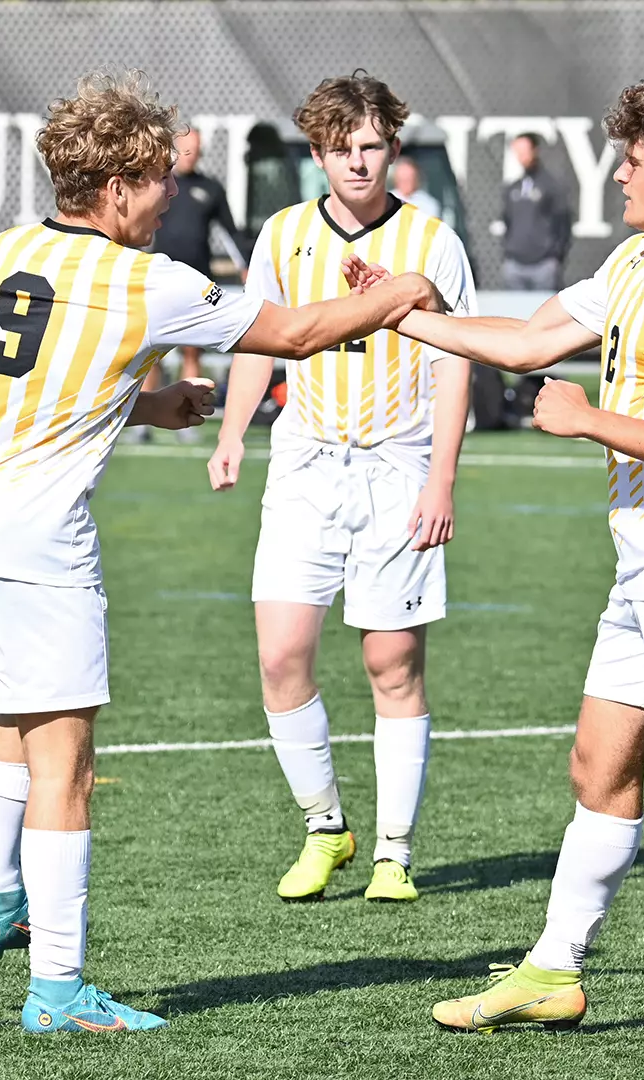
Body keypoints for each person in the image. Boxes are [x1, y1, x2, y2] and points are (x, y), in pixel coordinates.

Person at [0, 71, 442, 1035]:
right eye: (157, 179)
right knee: (65, 761)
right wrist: (405, 290)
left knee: (15, 710)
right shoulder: (148, 281)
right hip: (34, 542)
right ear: (115, 190)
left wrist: (148, 403)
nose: (169, 196)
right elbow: (298, 331)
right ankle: (59, 988)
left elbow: (6, 382)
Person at [351, 75, 644, 1052]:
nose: (619, 172)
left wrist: (584, 420)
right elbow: (528, 343)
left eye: (636, 159)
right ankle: (554, 972)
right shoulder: (639, 259)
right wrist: (399, 318)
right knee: (597, 766)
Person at [206, 72, 475, 905]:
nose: (361, 162)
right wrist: (230, 433)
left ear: (393, 149)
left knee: (390, 660)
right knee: (281, 655)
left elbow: (454, 360)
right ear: (317, 153)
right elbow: (258, 340)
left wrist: (440, 481)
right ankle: (326, 827)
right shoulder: (285, 235)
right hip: (306, 466)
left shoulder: (432, 243)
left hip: (397, 467)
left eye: (374, 146)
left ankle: (394, 850)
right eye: (344, 148)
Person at [137, 127, 251, 444]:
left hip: (196, 281)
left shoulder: (210, 189)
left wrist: (246, 264)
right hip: (158, 278)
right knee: (150, 352)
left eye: (196, 149)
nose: (191, 155)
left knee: (191, 352)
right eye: (186, 149)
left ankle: (186, 419)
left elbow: (231, 231)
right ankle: (144, 422)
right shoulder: (159, 185)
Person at [499, 132, 573, 290]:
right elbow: (508, 220)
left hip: (543, 265)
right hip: (515, 264)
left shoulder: (551, 186)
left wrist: (554, 255)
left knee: (544, 312)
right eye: (517, 152)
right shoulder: (513, 188)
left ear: (535, 150)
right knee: (512, 313)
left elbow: (563, 222)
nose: (521, 156)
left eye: (524, 151)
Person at [391, 154, 442, 220]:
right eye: (402, 179)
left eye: (409, 179)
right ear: (396, 180)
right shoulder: (386, 201)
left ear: (416, 179)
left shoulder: (429, 204)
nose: (405, 183)